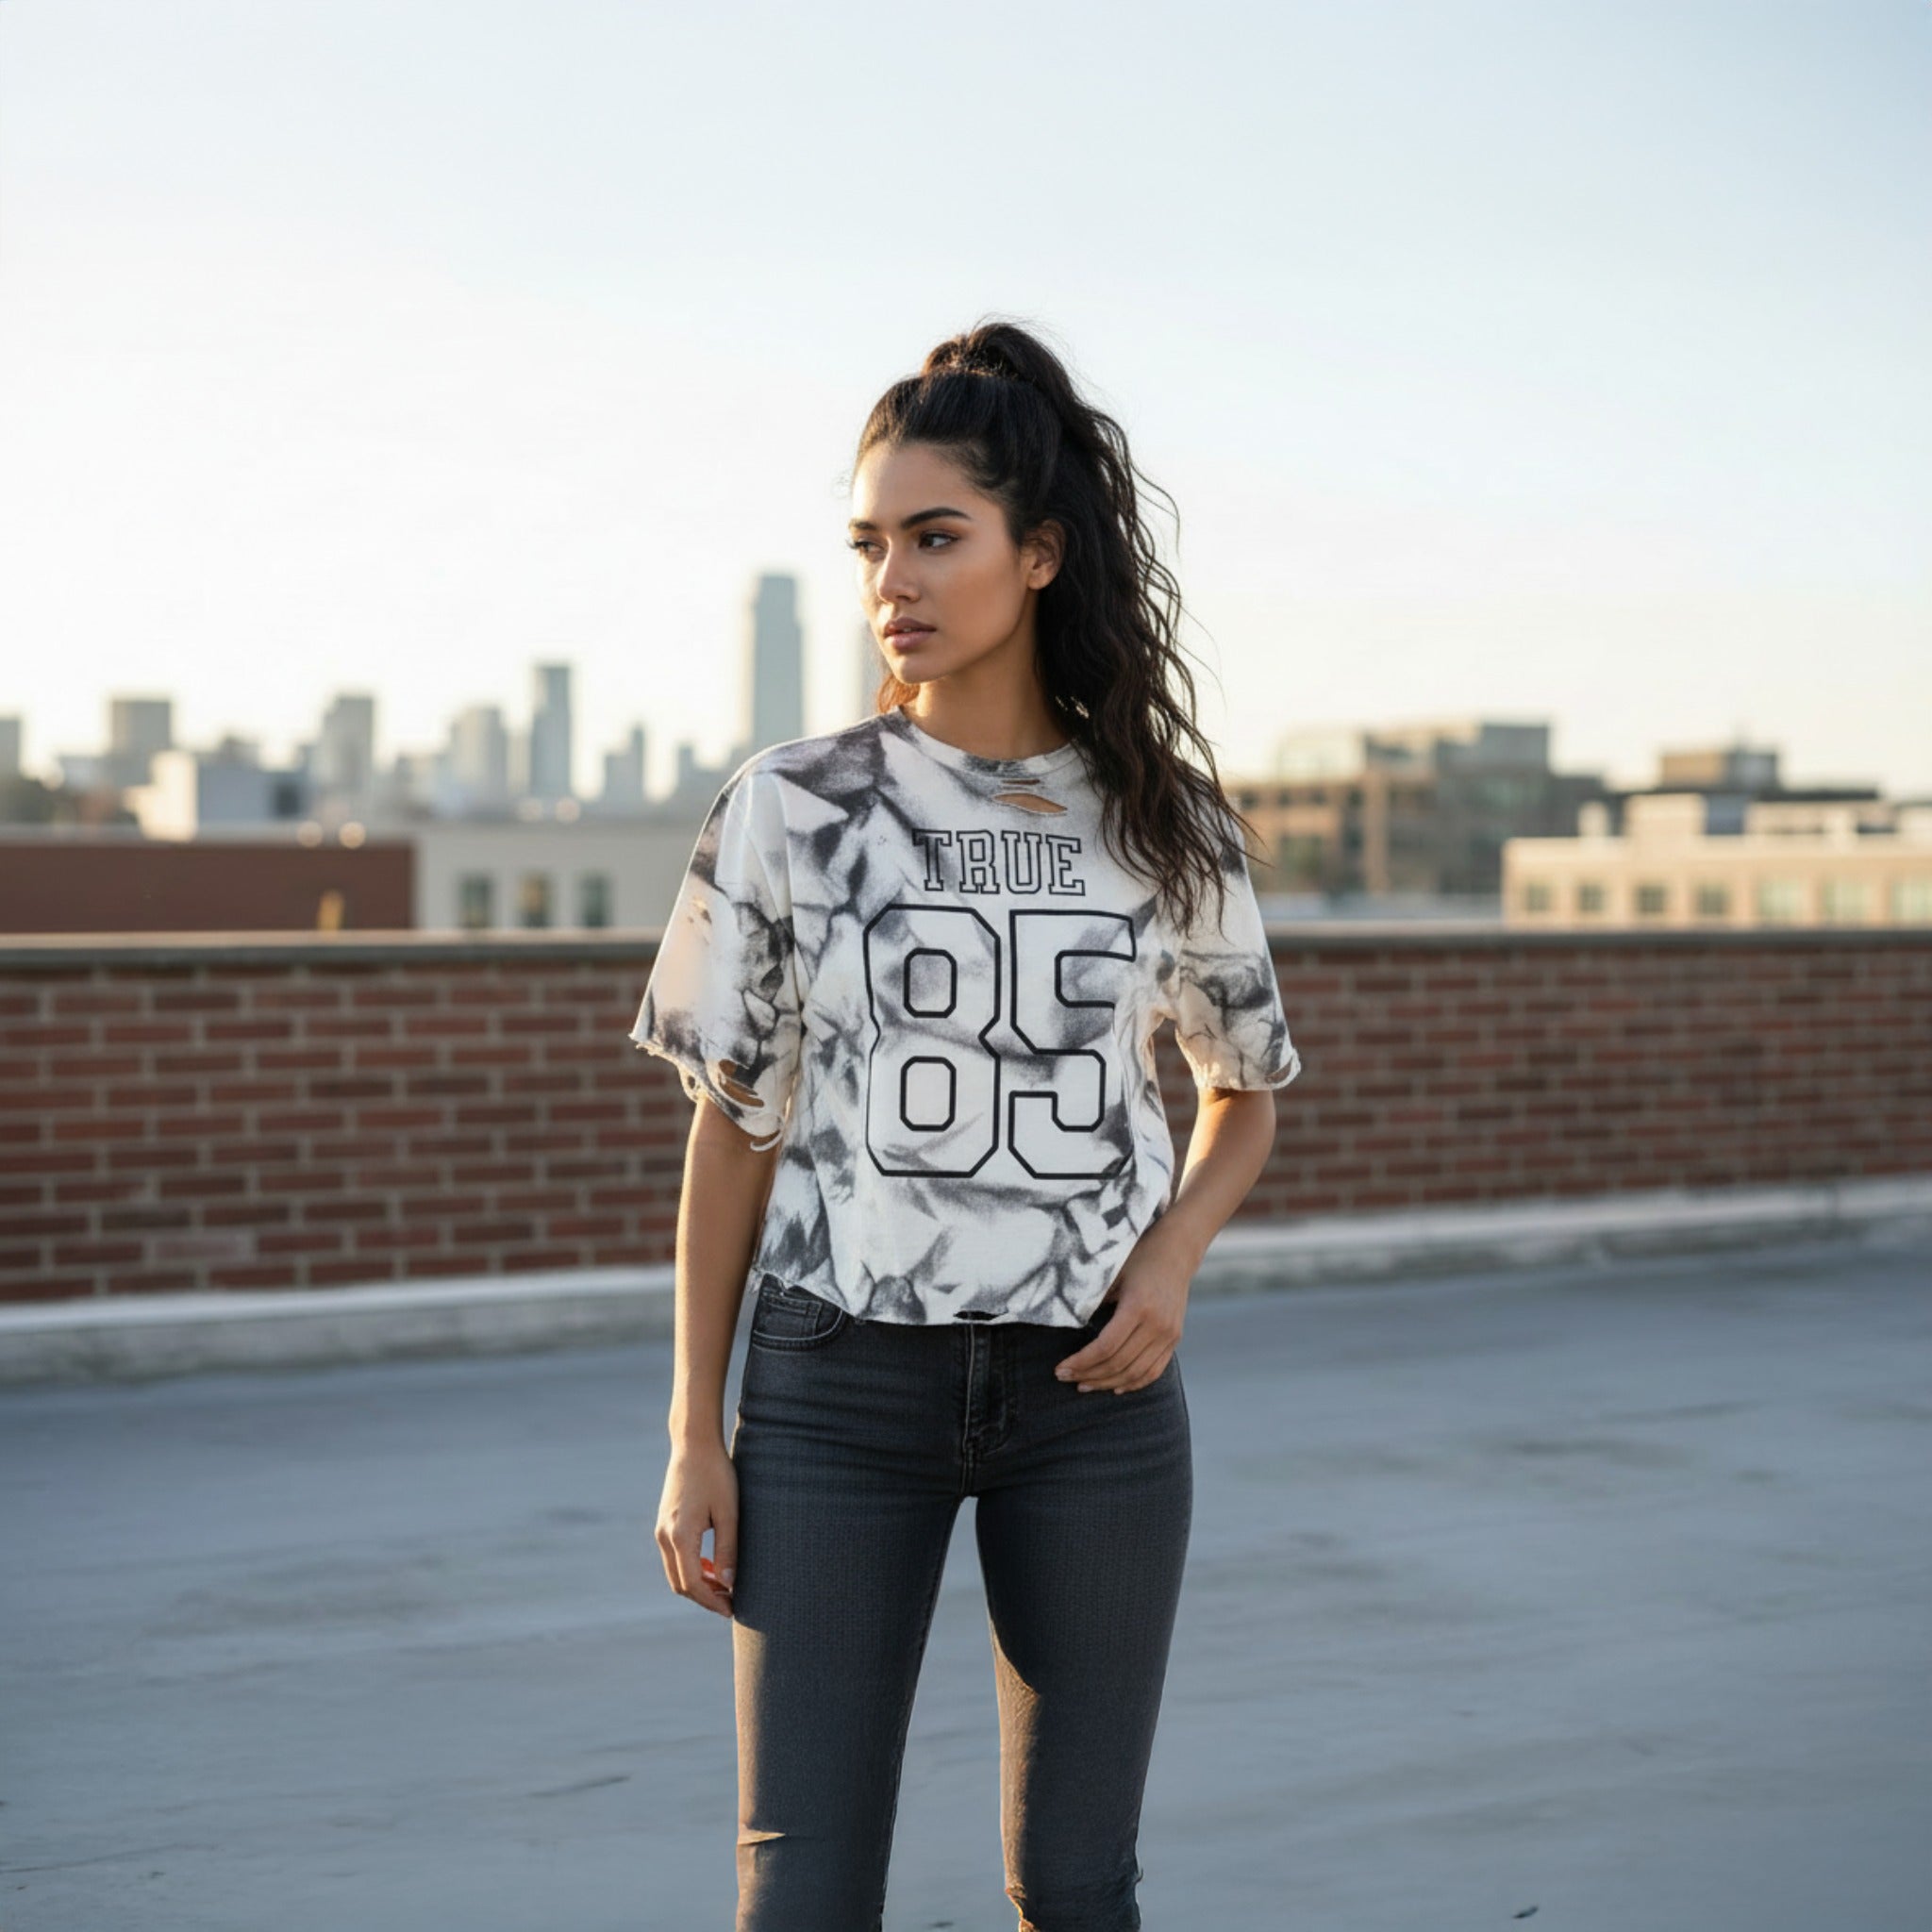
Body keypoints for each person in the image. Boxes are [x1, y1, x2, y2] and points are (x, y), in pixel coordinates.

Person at [629, 317, 1302, 1932]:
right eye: (872, 543)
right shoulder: (794, 807)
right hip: (834, 1395)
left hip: (1095, 1403)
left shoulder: (1164, 822)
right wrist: (693, 1430)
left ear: (1042, 554)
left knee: (1077, 1887)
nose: (895, 580)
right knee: (802, 1890)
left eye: (938, 537)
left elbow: (1243, 1093)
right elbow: (735, 1131)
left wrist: (1172, 1261)